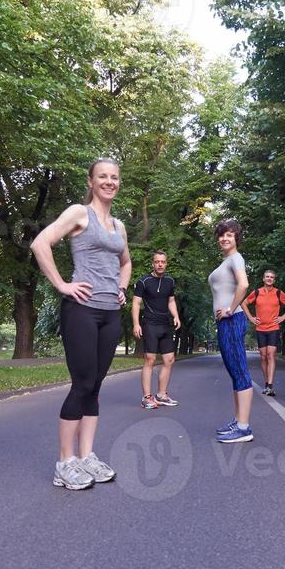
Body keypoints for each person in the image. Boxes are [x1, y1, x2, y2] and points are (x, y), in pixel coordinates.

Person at [30, 158, 132, 490]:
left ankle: (86, 456)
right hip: (82, 311)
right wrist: (62, 284)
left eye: (114, 177)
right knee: (82, 383)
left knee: (96, 387)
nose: (109, 181)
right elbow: (40, 243)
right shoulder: (78, 213)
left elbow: (126, 262)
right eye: (102, 176)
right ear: (91, 181)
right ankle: (65, 462)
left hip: (110, 313)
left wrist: (121, 287)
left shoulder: (119, 226)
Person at [209, 219, 254, 443]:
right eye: (222, 235)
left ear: (237, 238)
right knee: (235, 372)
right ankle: (238, 421)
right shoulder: (227, 260)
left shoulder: (236, 258)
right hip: (226, 322)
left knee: (240, 371)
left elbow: (244, 284)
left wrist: (229, 309)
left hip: (232, 320)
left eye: (229, 234)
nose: (225, 238)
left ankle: (244, 428)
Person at [133, 251, 181, 409]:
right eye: (157, 262)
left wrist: (176, 316)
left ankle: (161, 394)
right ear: (153, 263)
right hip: (150, 324)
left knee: (169, 360)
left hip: (165, 325)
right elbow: (135, 304)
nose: (160, 264)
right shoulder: (143, 281)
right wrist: (136, 324)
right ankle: (147, 397)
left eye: (163, 262)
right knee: (150, 360)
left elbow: (171, 301)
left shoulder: (170, 281)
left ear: (166, 263)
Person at [242, 269, 285, 397]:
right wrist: (251, 318)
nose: (269, 278)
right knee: (263, 356)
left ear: (274, 280)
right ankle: (266, 384)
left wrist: (283, 317)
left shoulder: (278, 293)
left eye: (272, 277)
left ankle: (270, 386)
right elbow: (243, 303)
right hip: (260, 329)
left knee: (271, 355)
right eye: (267, 276)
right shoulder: (257, 292)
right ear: (263, 279)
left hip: (273, 328)